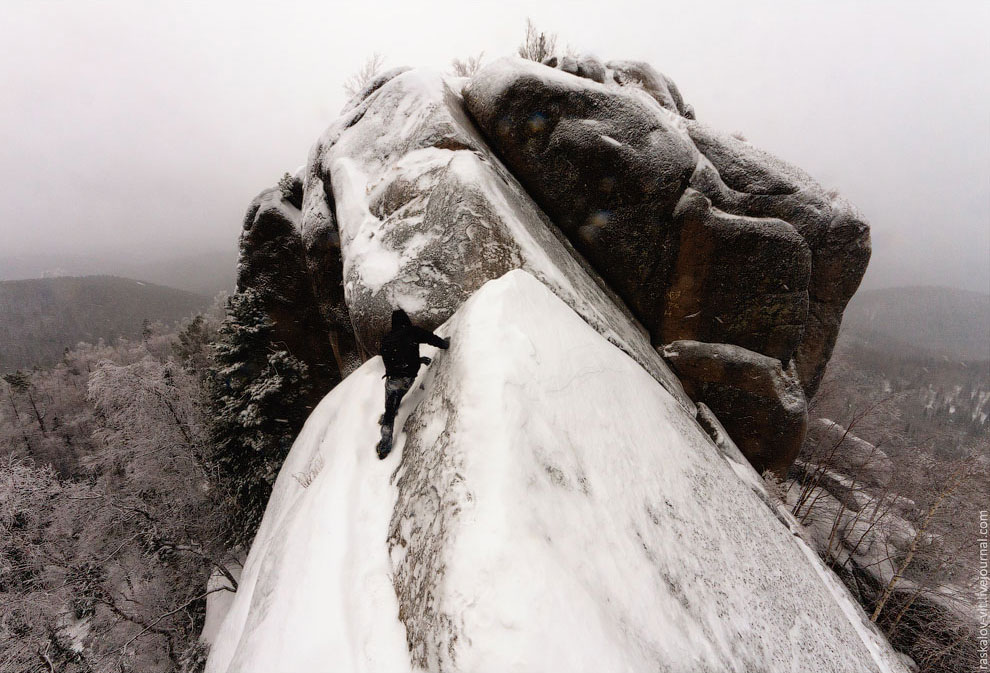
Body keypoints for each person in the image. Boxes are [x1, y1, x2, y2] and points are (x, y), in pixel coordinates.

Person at [376, 308, 450, 459]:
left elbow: (393, 359)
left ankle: (384, 447)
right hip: (408, 378)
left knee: (390, 410)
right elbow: (431, 339)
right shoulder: (412, 332)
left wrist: (415, 361)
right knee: (399, 394)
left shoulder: (386, 339)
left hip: (392, 379)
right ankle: (392, 409)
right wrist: (444, 344)